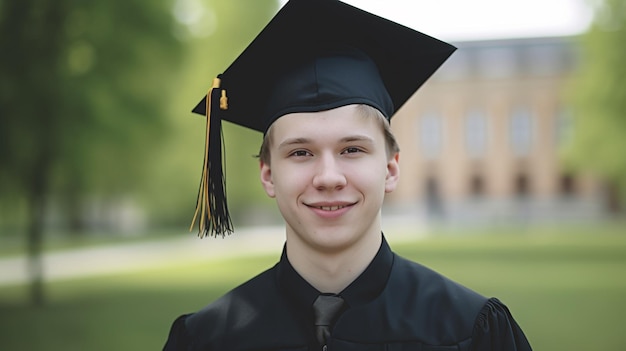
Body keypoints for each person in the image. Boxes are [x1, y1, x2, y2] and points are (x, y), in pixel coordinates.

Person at [163, 0, 533, 350]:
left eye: (352, 149)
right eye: (301, 152)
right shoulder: (208, 339)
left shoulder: (471, 331)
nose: (328, 177)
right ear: (268, 174)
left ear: (390, 168)